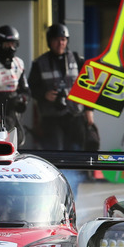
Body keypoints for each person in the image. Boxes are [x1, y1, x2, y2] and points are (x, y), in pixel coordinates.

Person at [28, 23, 95, 195]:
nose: (60, 43)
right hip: (52, 118)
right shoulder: (39, 63)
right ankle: (55, 189)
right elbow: (31, 88)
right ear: (50, 42)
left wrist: (89, 111)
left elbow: (88, 87)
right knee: (55, 154)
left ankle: (74, 188)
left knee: (76, 153)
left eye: (63, 40)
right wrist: (44, 94)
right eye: (57, 40)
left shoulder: (77, 60)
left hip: (74, 115)